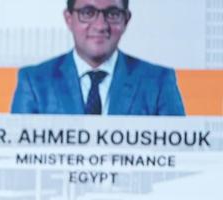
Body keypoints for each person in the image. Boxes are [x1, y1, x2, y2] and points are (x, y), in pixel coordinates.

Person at [11, 0, 184, 115]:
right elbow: (18, 155)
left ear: (126, 20)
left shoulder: (158, 81)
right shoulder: (34, 81)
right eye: (88, 12)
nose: (100, 25)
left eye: (113, 14)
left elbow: (179, 155)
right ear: (69, 18)